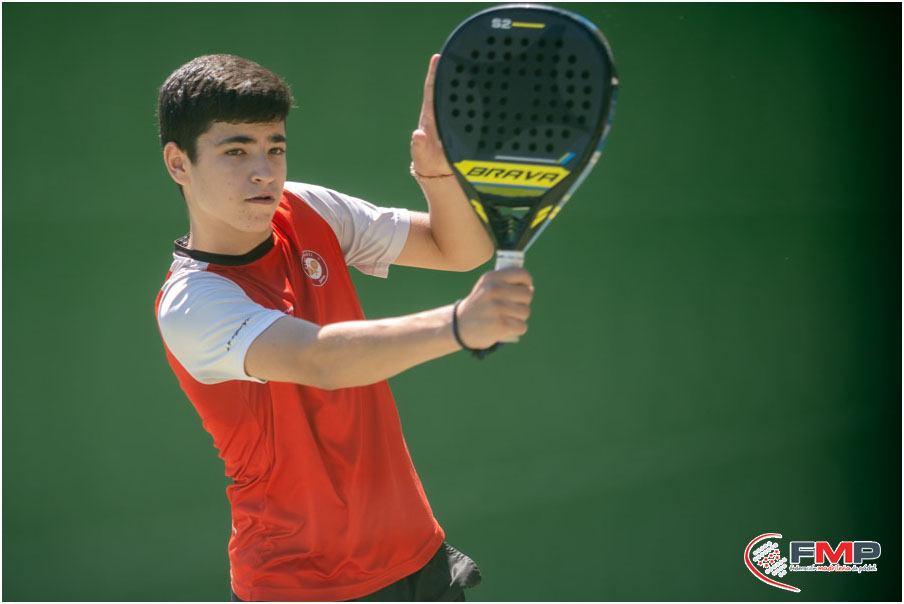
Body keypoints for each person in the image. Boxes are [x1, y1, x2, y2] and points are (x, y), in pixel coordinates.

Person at [154, 54, 534, 602]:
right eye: (236, 151)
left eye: (275, 148)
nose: (264, 171)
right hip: (301, 586)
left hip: (418, 557)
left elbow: (458, 249)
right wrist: (458, 324)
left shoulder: (307, 208)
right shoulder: (191, 303)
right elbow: (320, 361)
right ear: (179, 163)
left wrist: (437, 173)